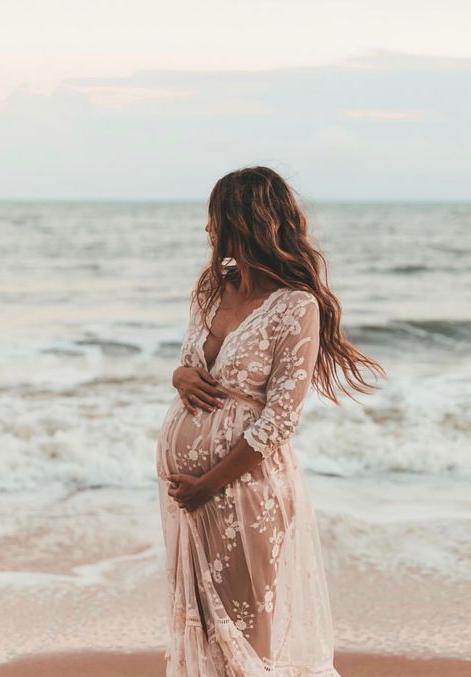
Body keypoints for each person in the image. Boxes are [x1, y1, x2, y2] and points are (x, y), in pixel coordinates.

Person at [156, 166, 385, 676]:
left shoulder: (295, 307)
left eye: (215, 217)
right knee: (206, 632)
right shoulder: (212, 292)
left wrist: (207, 485)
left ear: (245, 220)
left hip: (244, 490)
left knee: (244, 638)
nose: (209, 229)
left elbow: (280, 419)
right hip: (188, 496)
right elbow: (192, 366)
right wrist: (179, 377)